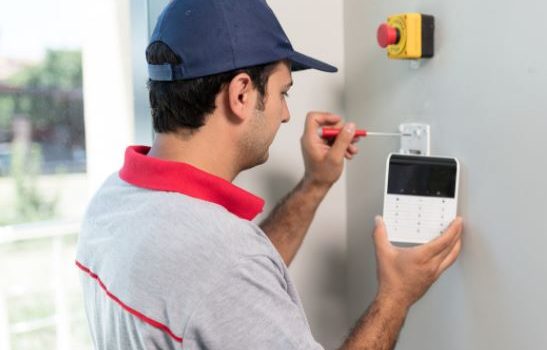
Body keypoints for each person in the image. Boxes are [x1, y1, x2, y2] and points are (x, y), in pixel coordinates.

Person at [74, 0, 463, 348]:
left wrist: (315, 184)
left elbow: (219, 295)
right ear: (241, 94)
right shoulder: (224, 261)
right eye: (284, 93)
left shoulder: (111, 202)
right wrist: (395, 297)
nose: (286, 113)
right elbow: (224, 277)